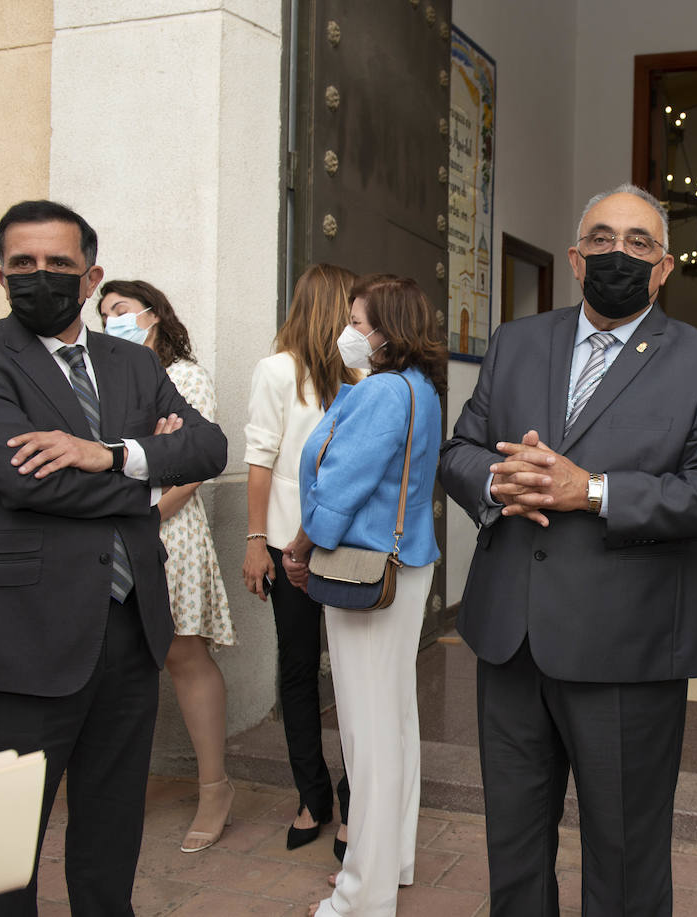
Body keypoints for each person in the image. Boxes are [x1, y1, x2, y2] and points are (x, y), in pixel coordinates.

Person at [440, 183, 697, 915]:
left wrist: (596, 490)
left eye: (639, 242)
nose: (620, 253)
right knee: (513, 850)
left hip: (627, 647)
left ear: (665, 267)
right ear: (576, 260)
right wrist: (497, 477)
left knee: (625, 859)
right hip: (509, 638)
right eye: (603, 239)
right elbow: (459, 448)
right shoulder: (519, 341)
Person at [0, 199, 228, 914]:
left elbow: (208, 447)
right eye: (23, 264)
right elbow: (20, 480)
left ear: (90, 276)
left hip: (127, 633)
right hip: (16, 640)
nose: (41, 276)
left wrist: (110, 453)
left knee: (110, 834)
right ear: (0, 276)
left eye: (58, 264)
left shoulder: (132, 362)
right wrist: (143, 477)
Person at [279, 274, 445, 916]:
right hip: (403, 566)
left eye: (359, 321)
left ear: (387, 330)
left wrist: (300, 544)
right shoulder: (420, 388)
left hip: (366, 569)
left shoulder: (379, 391)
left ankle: (361, 893)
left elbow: (341, 487)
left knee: (367, 732)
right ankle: (391, 860)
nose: (348, 332)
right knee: (393, 721)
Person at [98, 279, 236, 853]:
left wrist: (144, 505)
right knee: (116, 653)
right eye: (103, 313)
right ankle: (110, 788)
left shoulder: (183, 376)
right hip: (112, 530)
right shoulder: (110, 377)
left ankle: (215, 787)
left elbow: (189, 465)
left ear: (153, 315)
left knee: (183, 651)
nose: (112, 321)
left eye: (122, 310)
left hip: (167, 531)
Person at [243, 262, 358, 853]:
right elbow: (259, 458)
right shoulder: (278, 371)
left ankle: (351, 806)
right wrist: (254, 540)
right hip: (292, 547)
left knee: (352, 677)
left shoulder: (364, 377)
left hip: (351, 551)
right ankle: (313, 796)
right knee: (299, 670)